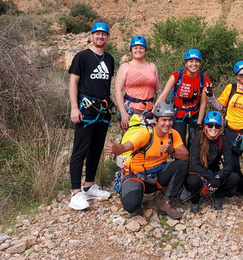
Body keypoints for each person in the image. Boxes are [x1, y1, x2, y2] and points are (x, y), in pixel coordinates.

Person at [105, 101, 189, 220]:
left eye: (170, 120)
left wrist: (171, 150)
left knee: (181, 165)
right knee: (131, 205)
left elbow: (186, 156)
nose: (168, 123)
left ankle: (166, 202)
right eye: (164, 120)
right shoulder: (145, 134)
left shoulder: (173, 134)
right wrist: (115, 148)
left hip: (156, 176)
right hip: (137, 176)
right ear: (155, 120)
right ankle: (132, 193)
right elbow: (124, 147)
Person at [205, 61, 243, 220]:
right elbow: (219, 107)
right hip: (230, 133)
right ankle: (241, 188)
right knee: (232, 167)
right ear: (237, 77)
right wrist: (210, 96)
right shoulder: (230, 89)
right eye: (241, 74)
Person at [68, 22, 115, 210]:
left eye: (104, 34)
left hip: (102, 110)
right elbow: (73, 82)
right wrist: (74, 107)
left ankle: (88, 187)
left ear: (108, 38)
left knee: (96, 149)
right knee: (80, 150)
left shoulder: (110, 59)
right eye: (97, 34)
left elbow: (106, 85)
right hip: (85, 109)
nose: (100, 37)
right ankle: (75, 193)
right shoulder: (82, 57)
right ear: (91, 36)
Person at [114, 36, 162, 166]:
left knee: (149, 141)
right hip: (131, 110)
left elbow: (159, 91)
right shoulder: (126, 67)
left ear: (145, 50)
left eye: (141, 48)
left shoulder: (152, 67)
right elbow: (118, 90)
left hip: (149, 111)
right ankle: (125, 172)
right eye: (135, 48)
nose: (138, 50)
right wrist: (123, 113)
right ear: (131, 50)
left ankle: (145, 169)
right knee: (129, 141)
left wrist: (157, 110)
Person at [155, 49, 211, 148]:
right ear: (185, 63)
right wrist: (153, 112)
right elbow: (163, 96)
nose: (194, 64)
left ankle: (193, 162)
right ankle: (181, 162)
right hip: (179, 113)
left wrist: (199, 124)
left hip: (195, 113)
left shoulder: (203, 79)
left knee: (195, 143)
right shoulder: (176, 76)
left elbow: (203, 103)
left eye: (197, 61)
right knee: (178, 143)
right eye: (190, 61)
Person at [185, 111, 240, 213]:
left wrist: (218, 177)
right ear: (205, 126)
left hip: (215, 171)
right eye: (210, 125)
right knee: (192, 180)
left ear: (220, 128)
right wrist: (210, 176)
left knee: (234, 177)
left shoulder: (223, 140)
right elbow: (193, 164)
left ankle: (217, 196)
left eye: (217, 126)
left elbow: (229, 164)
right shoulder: (198, 138)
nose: (213, 128)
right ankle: (195, 200)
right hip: (200, 172)